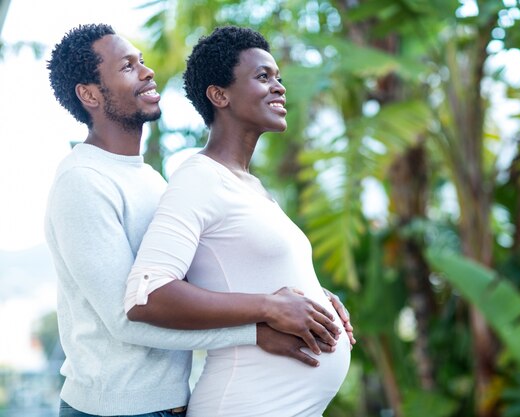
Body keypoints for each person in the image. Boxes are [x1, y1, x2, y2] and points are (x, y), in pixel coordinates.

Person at [45, 23, 352, 417]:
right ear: (89, 94)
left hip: (167, 403)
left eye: (142, 61)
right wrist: (258, 328)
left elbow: (200, 280)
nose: (147, 71)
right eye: (127, 67)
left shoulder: (151, 179)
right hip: (115, 409)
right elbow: (130, 313)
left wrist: (306, 297)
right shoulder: (82, 181)